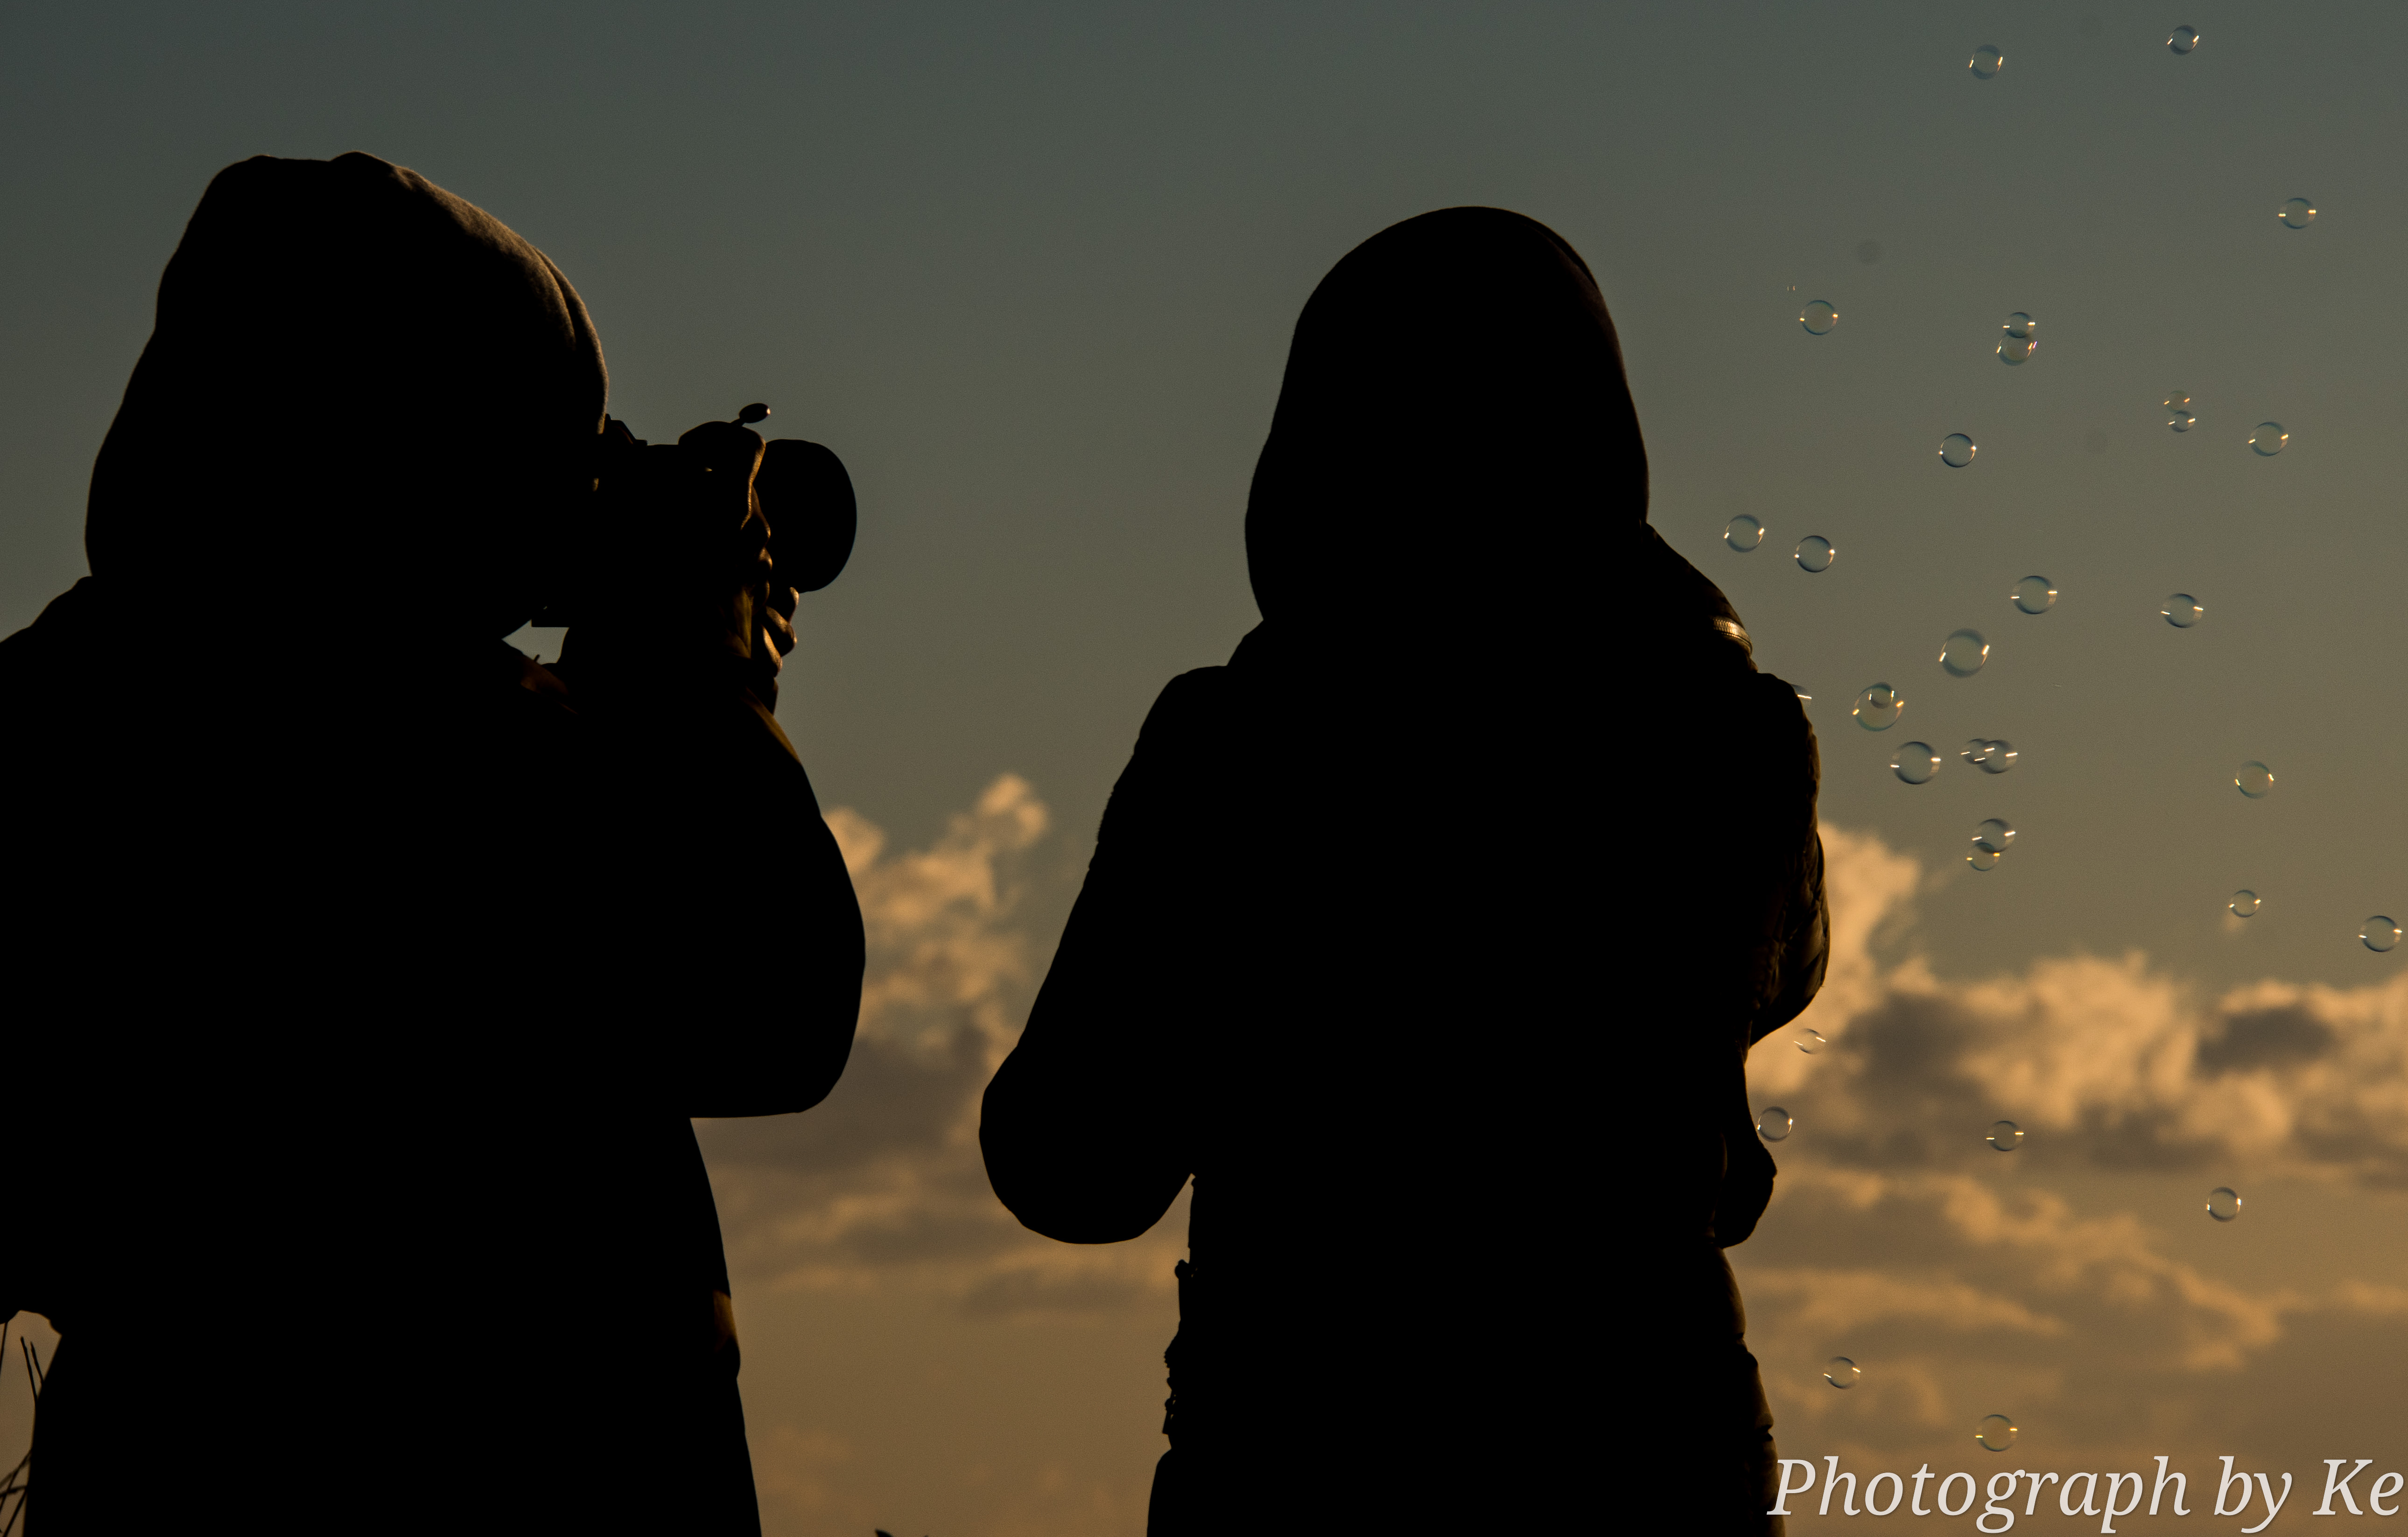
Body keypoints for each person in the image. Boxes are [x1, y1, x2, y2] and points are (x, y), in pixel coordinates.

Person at [0, 153, 866, 1533]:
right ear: (425, 448)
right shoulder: (466, 753)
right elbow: (771, 1010)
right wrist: (703, 680)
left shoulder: (58, 709)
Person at [980, 207, 1828, 1534]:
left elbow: (1072, 1164)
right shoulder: (1727, 733)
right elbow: (1758, 1063)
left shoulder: (1242, 745)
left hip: (1310, 1457)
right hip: (1659, 1455)